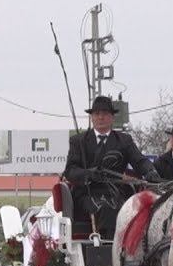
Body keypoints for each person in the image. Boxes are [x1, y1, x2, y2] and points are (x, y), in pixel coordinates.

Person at [63, 95, 161, 237]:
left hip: (116, 192)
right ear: (92, 118)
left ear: (112, 118)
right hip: (88, 193)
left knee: (132, 209)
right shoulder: (78, 141)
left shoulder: (124, 140)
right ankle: (107, 248)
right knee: (107, 209)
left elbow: (139, 160)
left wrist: (150, 172)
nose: (101, 117)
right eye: (97, 114)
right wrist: (89, 174)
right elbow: (70, 170)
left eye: (105, 114)